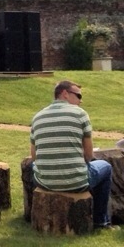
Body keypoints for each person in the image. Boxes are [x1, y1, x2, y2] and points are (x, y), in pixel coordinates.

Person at [30, 80, 113, 229]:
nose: (80, 101)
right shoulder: (80, 114)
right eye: (79, 96)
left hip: (44, 182)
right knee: (105, 167)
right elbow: (88, 155)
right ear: (65, 94)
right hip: (76, 183)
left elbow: (34, 157)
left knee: (34, 166)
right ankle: (101, 221)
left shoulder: (37, 117)